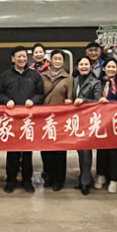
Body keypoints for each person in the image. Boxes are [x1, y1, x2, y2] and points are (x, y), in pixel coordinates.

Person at [0, 45, 45, 193]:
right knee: (12, 152)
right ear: (13, 59)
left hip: (28, 120)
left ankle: (27, 181)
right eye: (19, 56)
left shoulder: (34, 75)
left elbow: (41, 94)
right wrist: (6, 101)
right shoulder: (5, 76)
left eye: (24, 56)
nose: (22, 59)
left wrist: (33, 100)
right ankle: (11, 181)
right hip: (12, 120)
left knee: (28, 152)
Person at [39, 50, 73, 191]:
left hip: (60, 119)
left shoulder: (68, 78)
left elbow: (70, 97)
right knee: (45, 150)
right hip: (44, 118)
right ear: (50, 60)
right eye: (55, 58)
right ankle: (48, 177)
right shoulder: (42, 76)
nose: (58, 61)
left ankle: (59, 180)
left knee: (59, 151)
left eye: (60, 59)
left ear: (63, 62)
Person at [95, 59, 117, 193]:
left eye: (113, 67)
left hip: (114, 121)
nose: (111, 69)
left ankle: (114, 178)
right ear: (104, 69)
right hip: (99, 120)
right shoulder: (98, 82)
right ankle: (100, 175)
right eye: (108, 66)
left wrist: (108, 102)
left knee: (112, 150)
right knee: (100, 149)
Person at [71, 56, 103, 195]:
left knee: (86, 152)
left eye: (86, 64)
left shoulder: (96, 82)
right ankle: (83, 178)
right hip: (75, 120)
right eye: (81, 64)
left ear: (90, 67)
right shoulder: (73, 81)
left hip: (88, 121)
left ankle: (85, 182)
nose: (83, 66)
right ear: (77, 67)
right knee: (80, 151)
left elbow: (97, 101)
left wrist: (83, 100)